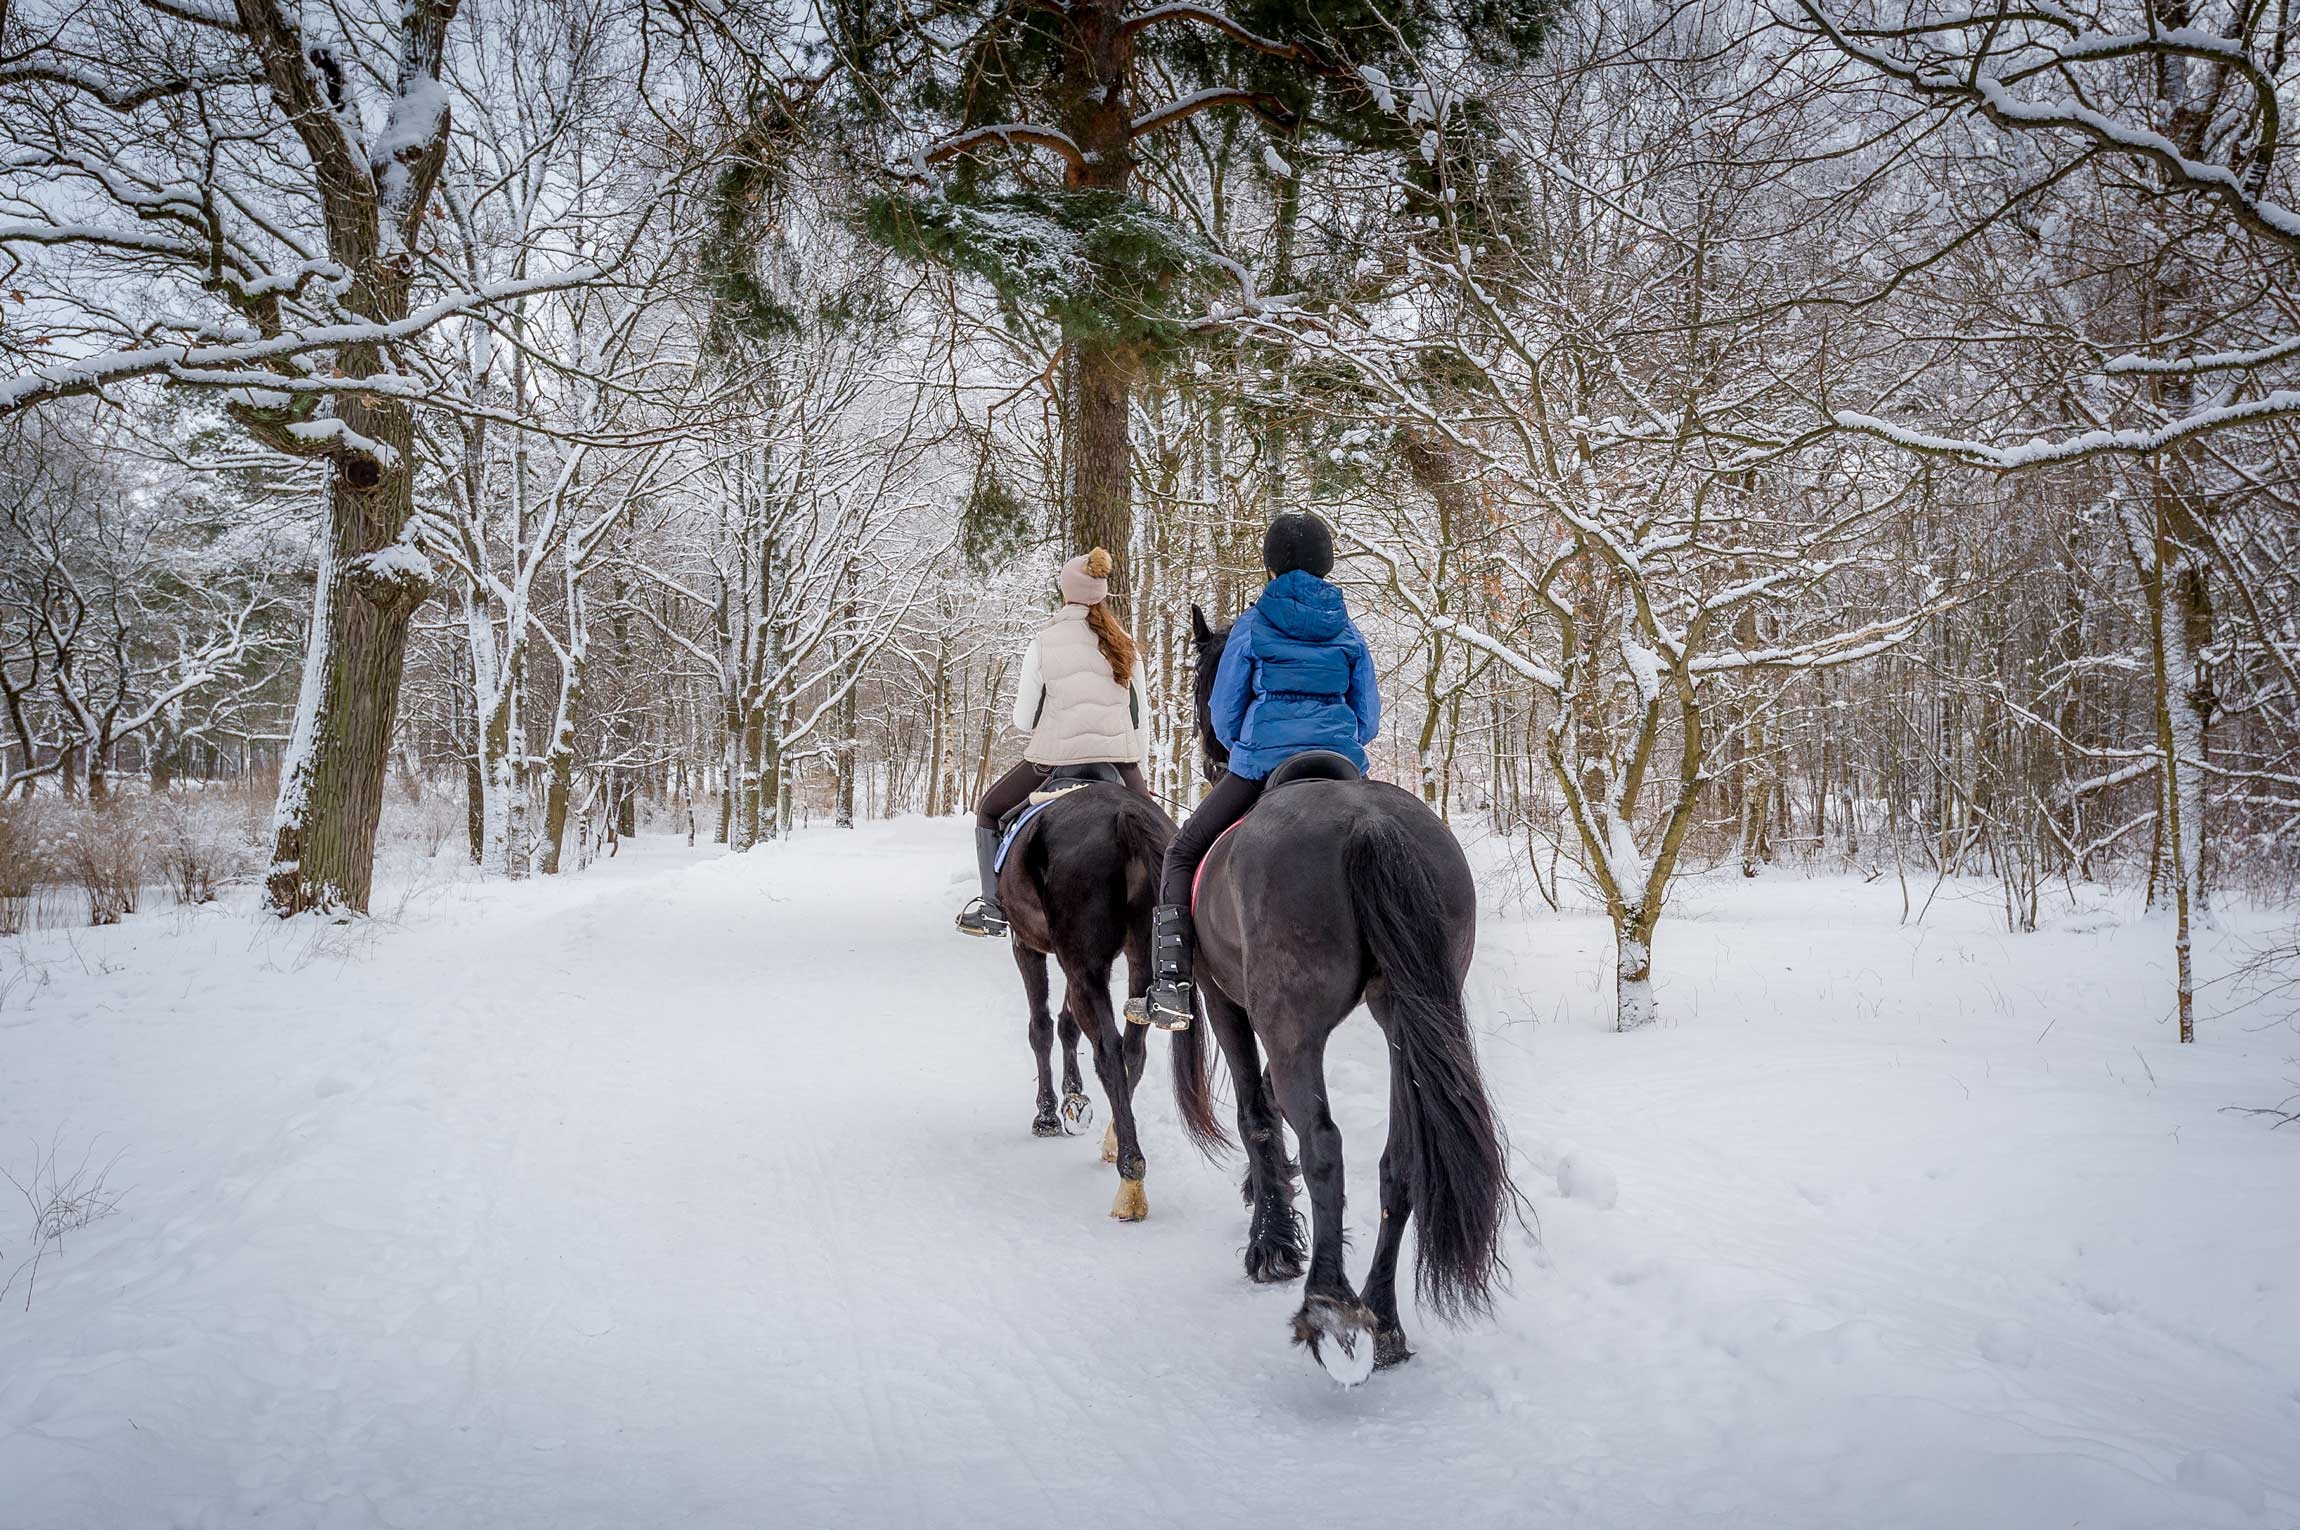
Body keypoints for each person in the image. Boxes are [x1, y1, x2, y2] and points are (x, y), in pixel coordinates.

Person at [1138, 511, 1379, 1027]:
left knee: (1181, 854)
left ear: (1271, 566)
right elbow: (1369, 716)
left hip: (1262, 763)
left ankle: (1172, 983)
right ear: (1327, 564)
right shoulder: (1349, 631)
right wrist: (1343, 742)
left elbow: (1224, 713)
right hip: (1339, 763)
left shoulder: (1251, 626)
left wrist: (1242, 750)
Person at [957, 547, 1155, 937]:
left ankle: (994, 907)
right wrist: (1140, 778)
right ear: (1102, 593)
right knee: (1161, 836)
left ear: (1065, 592)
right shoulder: (1125, 646)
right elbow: (1140, 720)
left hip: (1054, 762)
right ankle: (1172, 919)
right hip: (1120, 764)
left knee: (989, 811)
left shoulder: (1044, 642)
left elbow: (1023, 720)